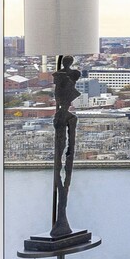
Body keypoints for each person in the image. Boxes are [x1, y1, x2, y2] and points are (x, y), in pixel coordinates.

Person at [50, 55, 83, 238]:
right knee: (60, 171)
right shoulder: (61, 76)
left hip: (63, 121)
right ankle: (61, 220)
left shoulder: (69, 117)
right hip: (61, 121)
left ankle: (62, 219)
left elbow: (70, 150)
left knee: (63, 170)